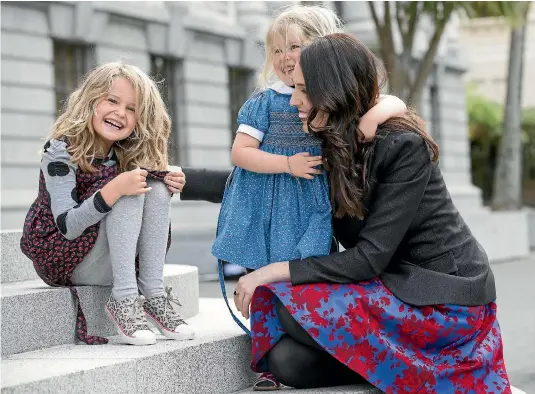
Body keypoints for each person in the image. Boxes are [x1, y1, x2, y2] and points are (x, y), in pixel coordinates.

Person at [183, 34, 512, 393]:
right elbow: (258, 184)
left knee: (286, 307)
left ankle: (421, 365)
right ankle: (398, 367)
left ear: (333, 90)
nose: (294, 100)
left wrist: (271, 272)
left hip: (442, 298)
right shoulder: (330, 139)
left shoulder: (402, 146)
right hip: (387, 286)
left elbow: (369, 258)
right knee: (287, 362)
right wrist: (181, 180)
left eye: (304, 90)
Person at [210, 5, 406, 390]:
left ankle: (314, 344)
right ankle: (266, 361)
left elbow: (395, 102)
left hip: (311, 209)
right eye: (278, 49)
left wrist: (370, 120)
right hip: (269, 206)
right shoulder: (264, 102)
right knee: (262, 281)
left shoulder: (335, 98)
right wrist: (287, 164)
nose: (285, 57)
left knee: (302, 278)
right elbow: (240, 153)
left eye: (296, 46)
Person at [20, 62, 194, 347]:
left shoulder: (125, 152)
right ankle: (124, 301)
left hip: (108, 258)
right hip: (64, 258)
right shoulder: (60, 151)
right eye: (112, 100)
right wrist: (113, 190)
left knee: (156, 186)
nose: (120, 113)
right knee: (127, 189)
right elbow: (67, 226)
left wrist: (170, 180)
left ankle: (153, 295)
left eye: (131, 108)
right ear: (91, 100)